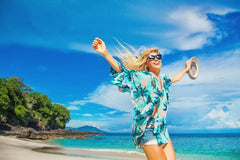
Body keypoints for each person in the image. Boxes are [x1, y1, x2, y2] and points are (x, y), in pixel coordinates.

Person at [92, 37, 191, 160]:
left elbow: (175, 78)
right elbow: (122, 71)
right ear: (146, 62)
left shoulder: (164, 79)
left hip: (162, 129)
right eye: (152, 57)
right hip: (147, 129)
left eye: (158, 57)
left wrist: (186, 70)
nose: (156, 59)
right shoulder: (141, 77)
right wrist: (105, 53)